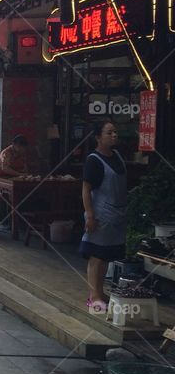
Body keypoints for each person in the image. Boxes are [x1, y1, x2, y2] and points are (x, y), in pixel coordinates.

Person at [81, 121, 126, 313]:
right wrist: (90, 215)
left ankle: (100, 291)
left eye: (115, 132)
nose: (114, 135)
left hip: (117, 213)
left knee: (106, 255)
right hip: (100, 213)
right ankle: (94, 296)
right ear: (98, 137)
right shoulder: (94, 160)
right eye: (109, 133)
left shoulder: (117, 156)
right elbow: (86, 189)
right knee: (96, 255)